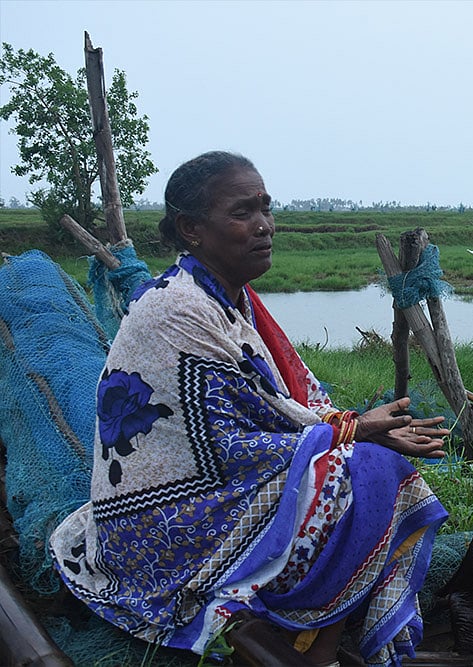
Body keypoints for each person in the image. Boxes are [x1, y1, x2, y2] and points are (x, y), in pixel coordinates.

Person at [48, 151, 450, 667]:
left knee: (363, 465)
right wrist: (355, 433)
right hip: (160, 533)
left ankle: (314, 631)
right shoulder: (177, 309)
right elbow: (232, 446)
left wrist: (353, 429)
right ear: (191, 228)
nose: (264, 226)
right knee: (372, 474)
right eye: (243, 213)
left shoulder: (225, 298)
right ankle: (315, 646)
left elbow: (269, 407)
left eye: (266, 208)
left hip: (190, 499)